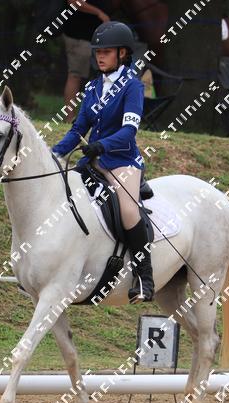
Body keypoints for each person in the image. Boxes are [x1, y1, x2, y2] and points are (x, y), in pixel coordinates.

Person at [52, 21, 153, 304]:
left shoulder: (132, 86)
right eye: (98, 52)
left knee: (129, 212)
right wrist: (55, 154)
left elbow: (129, 131)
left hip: (122, 161)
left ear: (122, 53)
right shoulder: (93, 86)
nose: (100, 56)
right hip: (93, 161)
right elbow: (78, 129)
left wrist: (101, 145)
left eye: (106, 52)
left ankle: (144, 278)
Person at [61, 1, 114, 122]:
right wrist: (99, 13)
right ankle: (69, 118)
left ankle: (100, 117)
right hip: (79, 36)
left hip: (93, 38)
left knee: (103, 76)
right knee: (75, 75)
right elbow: (73, 2)